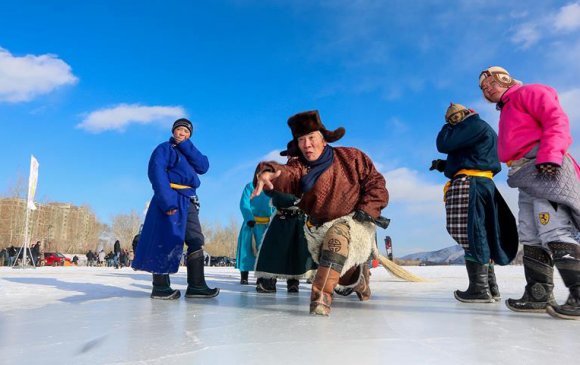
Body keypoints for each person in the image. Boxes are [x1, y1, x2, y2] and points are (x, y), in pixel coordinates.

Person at [252, 110, 388, 316]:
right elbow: (287, 175)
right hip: (318, 227)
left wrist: (367, 209)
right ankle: (359, 282)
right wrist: (269, 171)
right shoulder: (299, 167)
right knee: (344, 275)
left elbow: (375, 183)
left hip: (355, 220)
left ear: (323, 139)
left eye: (311, 138)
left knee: (336, 239)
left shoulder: (352, 157)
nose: (307, 145)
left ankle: (320, 299)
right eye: (301, 140)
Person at [479, 66, 580, 319]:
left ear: (505, 79)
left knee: (553, 227)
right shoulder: (508, 108)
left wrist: (549, 155)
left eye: (491, 82)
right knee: (530, 232)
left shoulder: (529, 92)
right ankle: (538, 294)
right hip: (524, 173)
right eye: (482, 88)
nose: (487, 89)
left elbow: (556, 120)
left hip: (544, 165)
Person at [432, 103, 519, 303]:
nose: (451, 121)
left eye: (453, 117)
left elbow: (443, 144)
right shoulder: (476, 130)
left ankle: (479, 289)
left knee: (472, 231)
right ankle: (490, 288)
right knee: (482, 232)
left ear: (465, 114)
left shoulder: (473, 125)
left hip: (470, 184)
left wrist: (447, 126)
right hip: (480, 182)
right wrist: (443, 166)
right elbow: (472, 157)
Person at [132, 118, 219, 300]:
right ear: (173, 131)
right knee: (164, 239)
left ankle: (196, 285)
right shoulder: (164, 149)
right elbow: (156, 173)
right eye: (179, 130)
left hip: (188, 199)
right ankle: (160, 288)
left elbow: (204, 166)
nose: (182, 133)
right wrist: (167, 201)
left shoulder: (189, 151)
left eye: (186, 131)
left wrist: (187, 146)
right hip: (170, 197)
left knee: (196, 239)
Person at [254, 147, 318, 293]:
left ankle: (293, 283)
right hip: (282, 217)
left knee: (299, 251)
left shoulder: (310, 173)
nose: (293, 157)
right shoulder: (281, 173)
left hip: (301, 218)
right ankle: (268, 281)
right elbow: (270, 191)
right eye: (291, 155)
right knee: (272, 250)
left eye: (296, 155)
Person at [235, 180, 274, 285]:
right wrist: (249, 218)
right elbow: (244, 203)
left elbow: (275, 205)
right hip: (251, 224)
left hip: (266, 225)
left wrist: (274, 220)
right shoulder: (250, 186)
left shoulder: (272, 188)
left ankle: (260, 277)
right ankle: (244, 276)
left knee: (263, 253)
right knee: (246, 251)